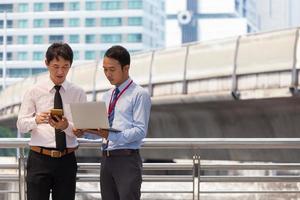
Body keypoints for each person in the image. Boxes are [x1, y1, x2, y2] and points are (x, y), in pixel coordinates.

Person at [74, 45, 151, 200]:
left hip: (127, 160)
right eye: (105, 70)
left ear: (126, 68)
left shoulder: (139, 94)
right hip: (106, 159)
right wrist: (86, 132)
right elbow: (103, 130)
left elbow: (140, 131)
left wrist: (111, 135)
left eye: (112, 69)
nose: (108, 74)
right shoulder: (107, 96)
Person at [17, 43, 86, 200]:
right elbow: (21, 124)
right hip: (39, 159)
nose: (60, 71)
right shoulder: (34, 91)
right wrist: (36, 120)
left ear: (70, 65)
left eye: (65, 66)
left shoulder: (78, 93)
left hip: (67, 160)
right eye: (56, 66)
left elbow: (81, 130)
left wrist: (66, 126)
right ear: (46, 63)